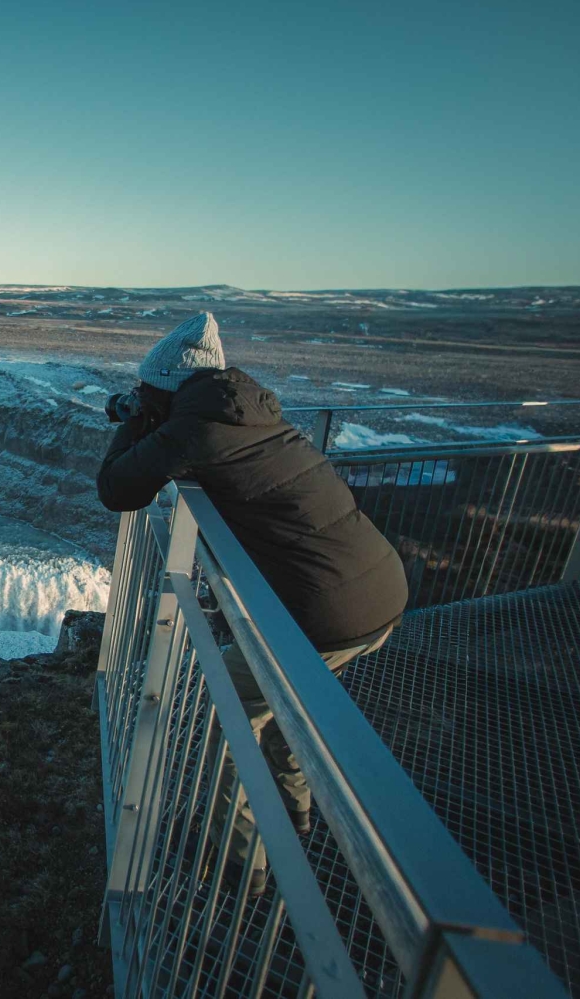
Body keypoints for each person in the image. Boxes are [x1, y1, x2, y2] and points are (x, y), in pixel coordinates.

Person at [96, 312, 408, 896]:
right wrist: (150, 413)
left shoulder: (197, 431)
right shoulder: (248, 411)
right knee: (281, 710)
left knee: (229, 718)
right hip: (378, 590)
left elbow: (117, 488)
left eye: (147, 391)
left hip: (326, 615)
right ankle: (292, 818)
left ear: (167, 388)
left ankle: (241, 868)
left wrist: (135, 421)